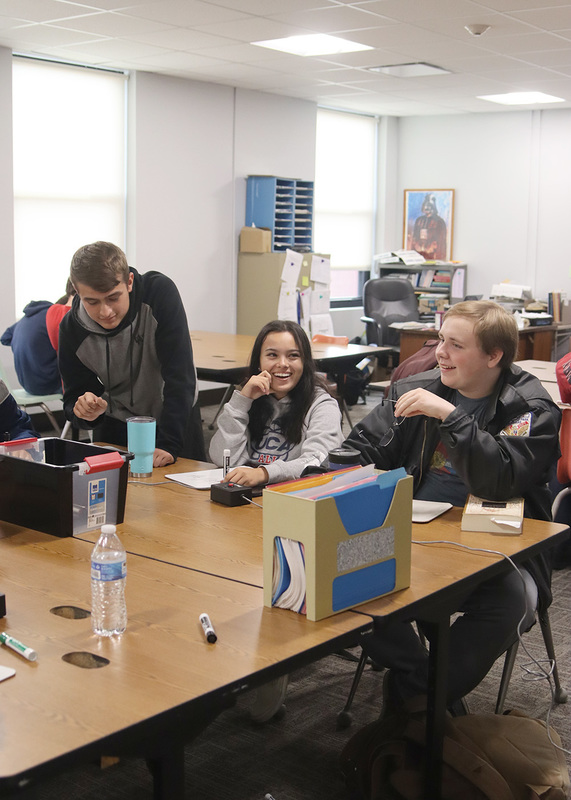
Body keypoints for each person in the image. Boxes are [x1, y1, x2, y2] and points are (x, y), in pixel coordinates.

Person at [341, 300, 561, 711]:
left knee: (515, 603)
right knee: (341, 581)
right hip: (414, 539)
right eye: (440, 339)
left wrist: (449, 416)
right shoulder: (413, 390)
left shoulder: (529, 408)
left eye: (455, 345)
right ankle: (425, 687)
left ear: (494, 356)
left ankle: (415, 696)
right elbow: (357, 453)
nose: (439, 352)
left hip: (498, 552)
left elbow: (499, 479)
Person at [59, 241, 205, 466]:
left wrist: (169, 443)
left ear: (129, 282)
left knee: (184, 495)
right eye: (92, 302)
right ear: (77, 291)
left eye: (113, 298)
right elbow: (73, 398)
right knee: (118, 498)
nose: (105, 312)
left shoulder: (159, 294)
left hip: (174, 418)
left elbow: (180, 376)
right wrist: (84, 412)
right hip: (117, 425)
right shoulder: (71, 328)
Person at [210, 319, 343, 486]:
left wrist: (264, 473)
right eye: (272, 355)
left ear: (305, 362)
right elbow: (222, 458)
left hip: (294, 497)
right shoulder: (249, 398)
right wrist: (241, 402)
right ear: (259, 362)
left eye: (293, 356)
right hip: (247, 493)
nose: (282, 364)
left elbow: (318, 460)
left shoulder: (322, 405)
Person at [0, 281, 75, 395]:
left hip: (26, 384)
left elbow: (5, 338)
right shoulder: (59, 316)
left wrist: (29, 346)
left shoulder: (30, 316)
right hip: (47, 385)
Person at [410, 192, 447, 260]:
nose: (427, 208)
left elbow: (441, 242)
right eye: (425, 206)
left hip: (432, 253)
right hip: (419, 253)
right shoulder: (419, 220)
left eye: (429, 206)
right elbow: (414, 237)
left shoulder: (439, 222)